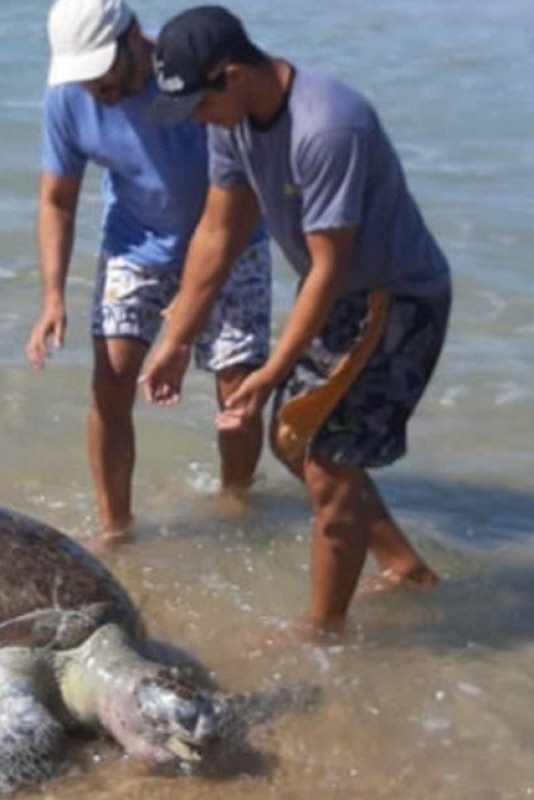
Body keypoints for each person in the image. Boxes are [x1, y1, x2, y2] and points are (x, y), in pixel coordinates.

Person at [141, 6, 451, 637]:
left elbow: (329, 266)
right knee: (293, 440)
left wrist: (272, 369)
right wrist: (176, 339)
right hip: (341, 297)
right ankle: (406, 570)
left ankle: (321, 636)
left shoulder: (328, 127)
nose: (196, 120)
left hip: (395, 299)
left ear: (233, 74)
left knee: (327, 463)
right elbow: (219, 231)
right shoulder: (231, 118)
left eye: (199, 104)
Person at [28, 0, 273, 545]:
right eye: (83, 76)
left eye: (102, 71)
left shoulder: (193, 76)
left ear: (133, 37)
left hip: (232, 237)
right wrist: (52, 297)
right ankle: (116, 528)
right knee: (111, 377)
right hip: (136, 240)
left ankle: (237, 502)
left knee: (237, 387)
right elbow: (57, 202)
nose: (95, 88)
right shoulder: (69, 96)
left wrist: (185, 320)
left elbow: (236, 200)